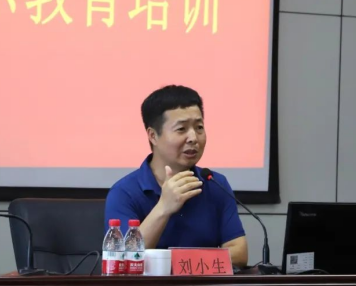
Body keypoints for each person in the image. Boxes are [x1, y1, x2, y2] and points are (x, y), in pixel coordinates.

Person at [104, 85, 248, 268]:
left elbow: (239, 253)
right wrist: (164, 207)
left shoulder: (215, 183)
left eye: (199, 127)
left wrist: (181, 263)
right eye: (181, 129)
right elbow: (125, 260)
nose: (193, 138)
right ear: (153, 136)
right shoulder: (124, 192)